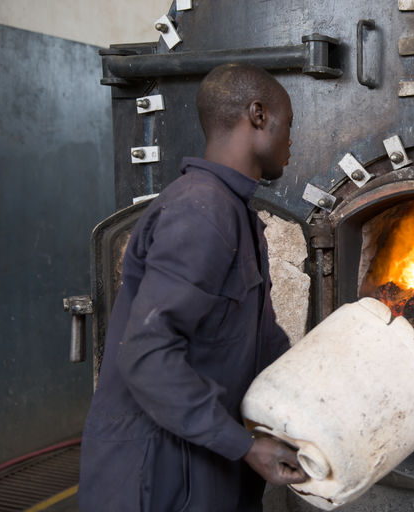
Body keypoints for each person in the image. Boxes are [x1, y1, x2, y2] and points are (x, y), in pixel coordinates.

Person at [78, 63, 307, 511]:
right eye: (289, 125)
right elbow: (147, 354)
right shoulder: (201, 212)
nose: (291, 140)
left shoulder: (235, 212)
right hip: (159, 475)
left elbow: (262, 341)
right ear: (257, 115)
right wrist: (243, 445)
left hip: (203, 462)